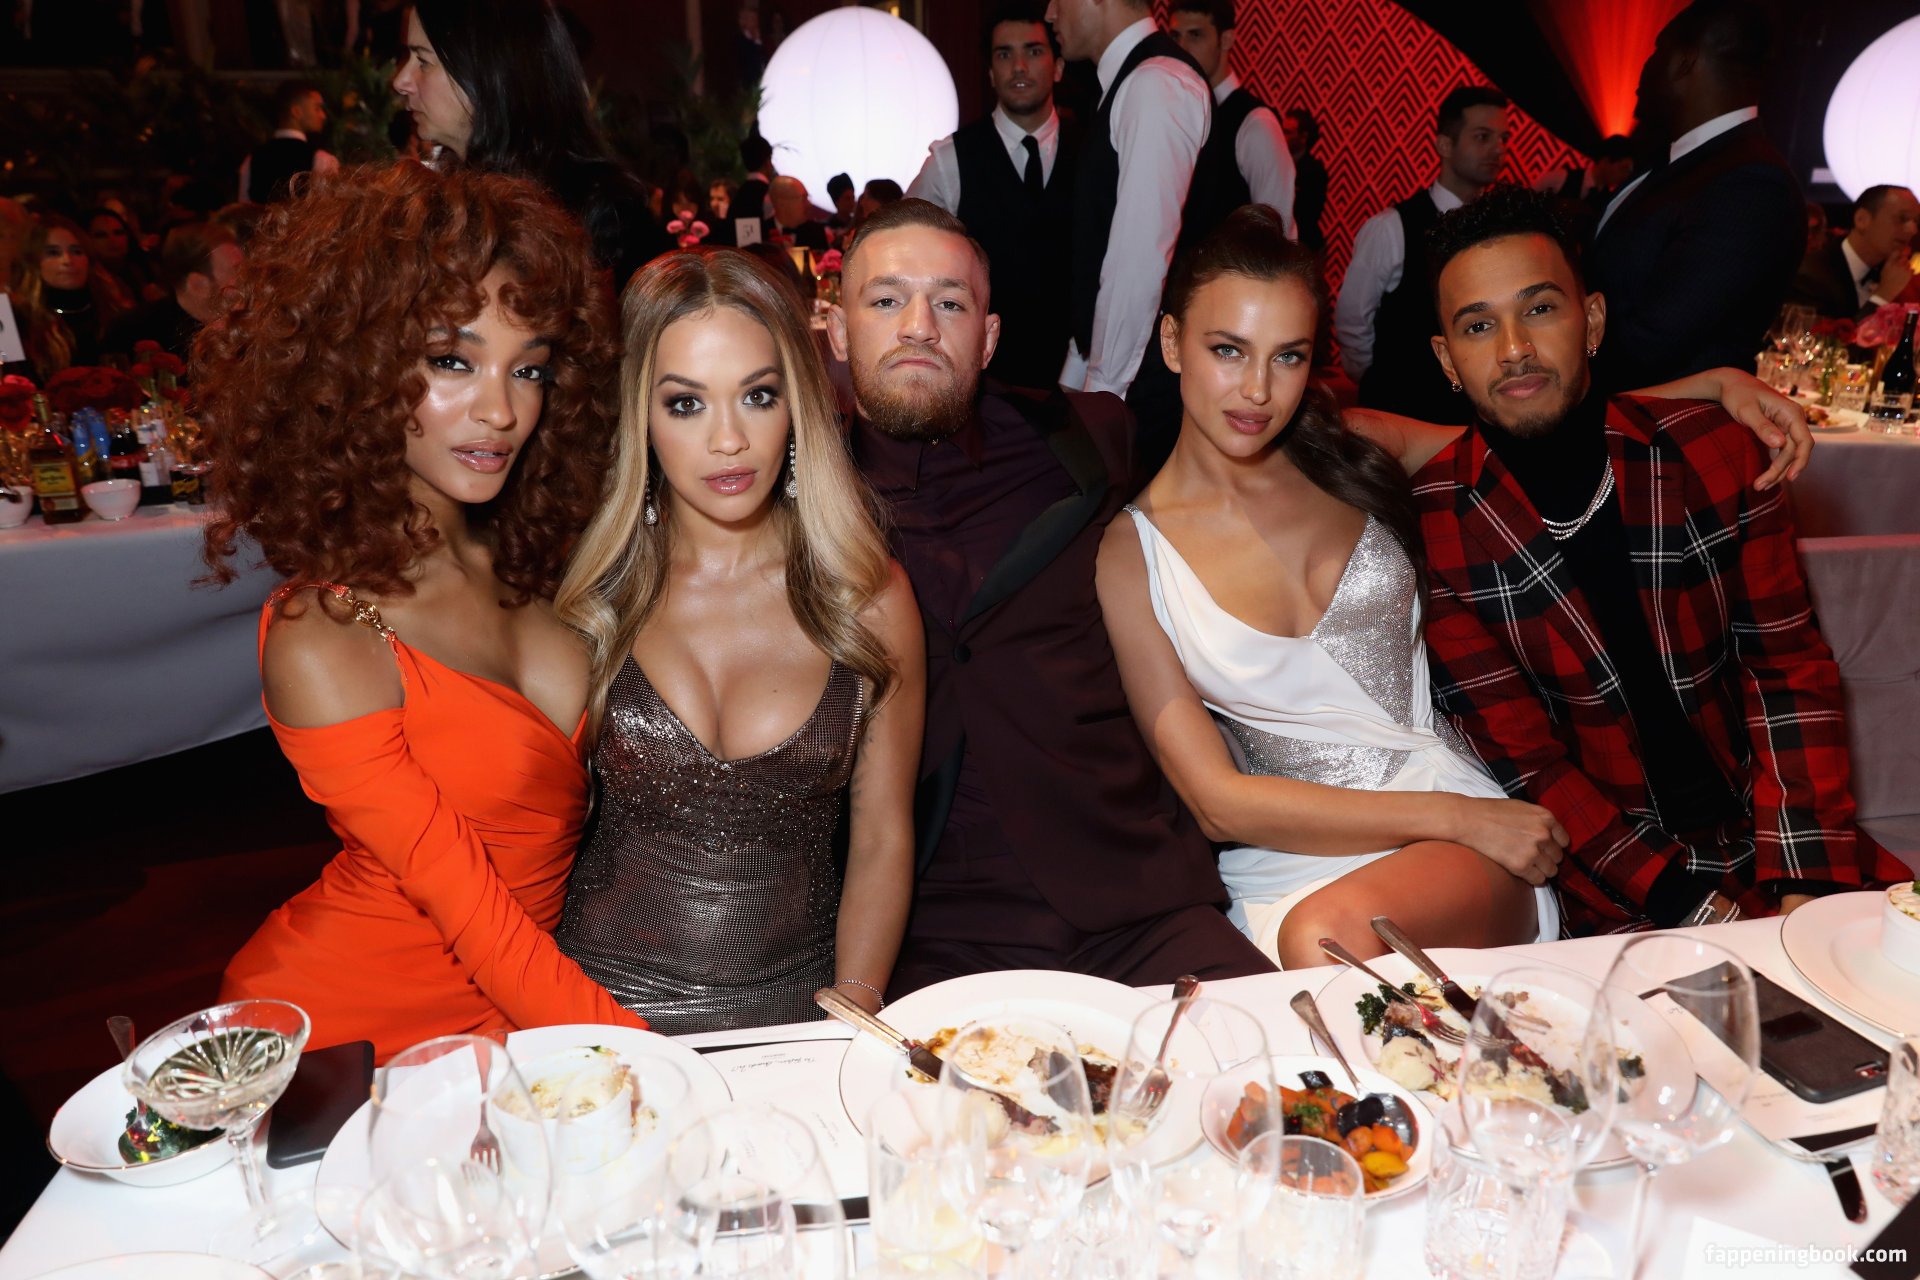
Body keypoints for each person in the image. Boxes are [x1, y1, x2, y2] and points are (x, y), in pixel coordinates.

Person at [202, 163, 644, 1062]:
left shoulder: (540, 562)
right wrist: (648, 1064)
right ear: (357, 365)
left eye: (529, 369)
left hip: (527, 1007)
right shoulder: (326, 633)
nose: (501, 410)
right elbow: (471, 911)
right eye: (452, 361)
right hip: (348, 1035)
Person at [1415, 185, 1901, 934]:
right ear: (1448, 359)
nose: (1513, 348)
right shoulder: (1437, 525)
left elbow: (1786, 671)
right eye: (1479, 326)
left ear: (1592, 320)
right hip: (1617, 881)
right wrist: (1686, 904)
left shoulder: (1715, 451)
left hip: (1775, 835)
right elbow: (1529, 762)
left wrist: (1802, 881)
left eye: (1539, 309)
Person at [828, 198, 1276, 992]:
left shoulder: (1088, 439)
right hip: (932, 929)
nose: (919, 327)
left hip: (1135, 907)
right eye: (887, 299)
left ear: (988, 336)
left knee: (1275, 1054)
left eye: (950, 304)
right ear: (837, 329)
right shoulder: (799, 497)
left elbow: (1265, 454)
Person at [1096, 206, 1561, 967]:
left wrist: (1714, 389)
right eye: (1228, 350)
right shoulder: (1131, 553)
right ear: (1173, 343)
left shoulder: (1353, 451)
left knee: (1325, 939)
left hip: (1470, 839)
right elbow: (1216, 803)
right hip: (1291, 862)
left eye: (1288, 357)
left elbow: (1550, 432)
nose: (1257, 390)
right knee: (1312, 947)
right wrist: (1455, 819)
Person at [552, 248, 923, 1032]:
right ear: (640, 416)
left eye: (758, 396)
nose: (728, 440)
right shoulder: (590, 598)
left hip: (799, 1013)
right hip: (597, 1013)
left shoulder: (868, 597)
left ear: (797, 403)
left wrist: (853, 1012)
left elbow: (884, 837)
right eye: (686, 404)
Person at [1587, 0, 1802, 389]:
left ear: (1684, 61)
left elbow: (1653, 340)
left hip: (1659, 420)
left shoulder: (1751, 183)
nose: (1645, 67)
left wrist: (1548, 360)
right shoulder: (1679, 160)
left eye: (1656, 50)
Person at [392, 0, 666, 287]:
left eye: (423, 61)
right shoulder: (438, 197)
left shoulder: (602, 212)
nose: (400, 81)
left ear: (489, 71)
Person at [909, 0, 1078, 390]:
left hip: (1081, 377)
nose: (1018, 66)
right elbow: (908, 248)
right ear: (990, 72)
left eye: (1033, 52)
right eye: (1004, 54)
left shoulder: (1096, 150)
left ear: (1057, 66)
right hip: (983, 384)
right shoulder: (951, 159)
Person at [1047, 0, 1210, 400]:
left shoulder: (1156, 83)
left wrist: (1103, 395)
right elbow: (1102, 252)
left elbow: (1138, 262)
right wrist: (1076, 380)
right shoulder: (1132, 81)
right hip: (1133, 374)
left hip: (1153, 384)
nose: (1050, 13)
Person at [1335, 85, 1508, 425]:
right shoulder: (1391, 227)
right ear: (1444, 145)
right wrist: (1374, 375)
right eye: (1482, 137)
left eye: (1503, 138)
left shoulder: (1502, 227)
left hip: (1476, 415)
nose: (1498, 149)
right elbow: (1352, 319)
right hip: (1400, 411)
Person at [1167, 0, 1296, 241]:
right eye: (1175, 36)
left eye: (1195, 35)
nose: (1181, 48)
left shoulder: (1256, 123)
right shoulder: (1172, 112)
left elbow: (1279, 232)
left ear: (1226, 39)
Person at [103, 221, 243, 362]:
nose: (246, 280)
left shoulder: (244, 326)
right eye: (236, 271)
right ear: (197, 284)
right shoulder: (132, 332)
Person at [1787, 184, 1918, 319]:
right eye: (1902, 218)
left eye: (1916, 222)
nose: (1913, 230)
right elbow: (1810, 331)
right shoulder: (1810, 276)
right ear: (1861, 220)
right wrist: (1882, 296)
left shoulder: (1898, 276)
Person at [15, 214, 128, 369]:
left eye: (76, 251)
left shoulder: (112, 312)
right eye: (53, 253)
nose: (68, 260)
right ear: (33, 261)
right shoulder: (12, 317)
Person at [239, 80, 340, 204]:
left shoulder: (252, 159)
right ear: (296, 112)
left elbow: (244, 209)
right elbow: (328, 210)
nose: (323, 116)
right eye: (317, 108)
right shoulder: (322, 160)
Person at [1530, 134, 1634, 240]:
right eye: (1623, 168)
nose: (1625, 176)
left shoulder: (1607, 202)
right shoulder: (1562, 177)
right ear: (1606, 161)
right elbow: (1529, 198)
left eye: (1628, 173)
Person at [86, 206, 164, 303]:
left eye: (118, 233)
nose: (112, 240)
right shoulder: (87, 282)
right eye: (101, 235)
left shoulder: (142, 270)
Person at [1284, 108, 1327, 255]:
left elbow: (1309, 215)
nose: (1282, 136)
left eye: (1288, 132)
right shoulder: (1277, 163)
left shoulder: (1314, 171)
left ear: (1303, 137)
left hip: (1304, 246)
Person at [769, 176, 830, 253]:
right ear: (781, 203)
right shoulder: (760, 232)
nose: (809, 204)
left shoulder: (816, 231)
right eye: (803, 198)